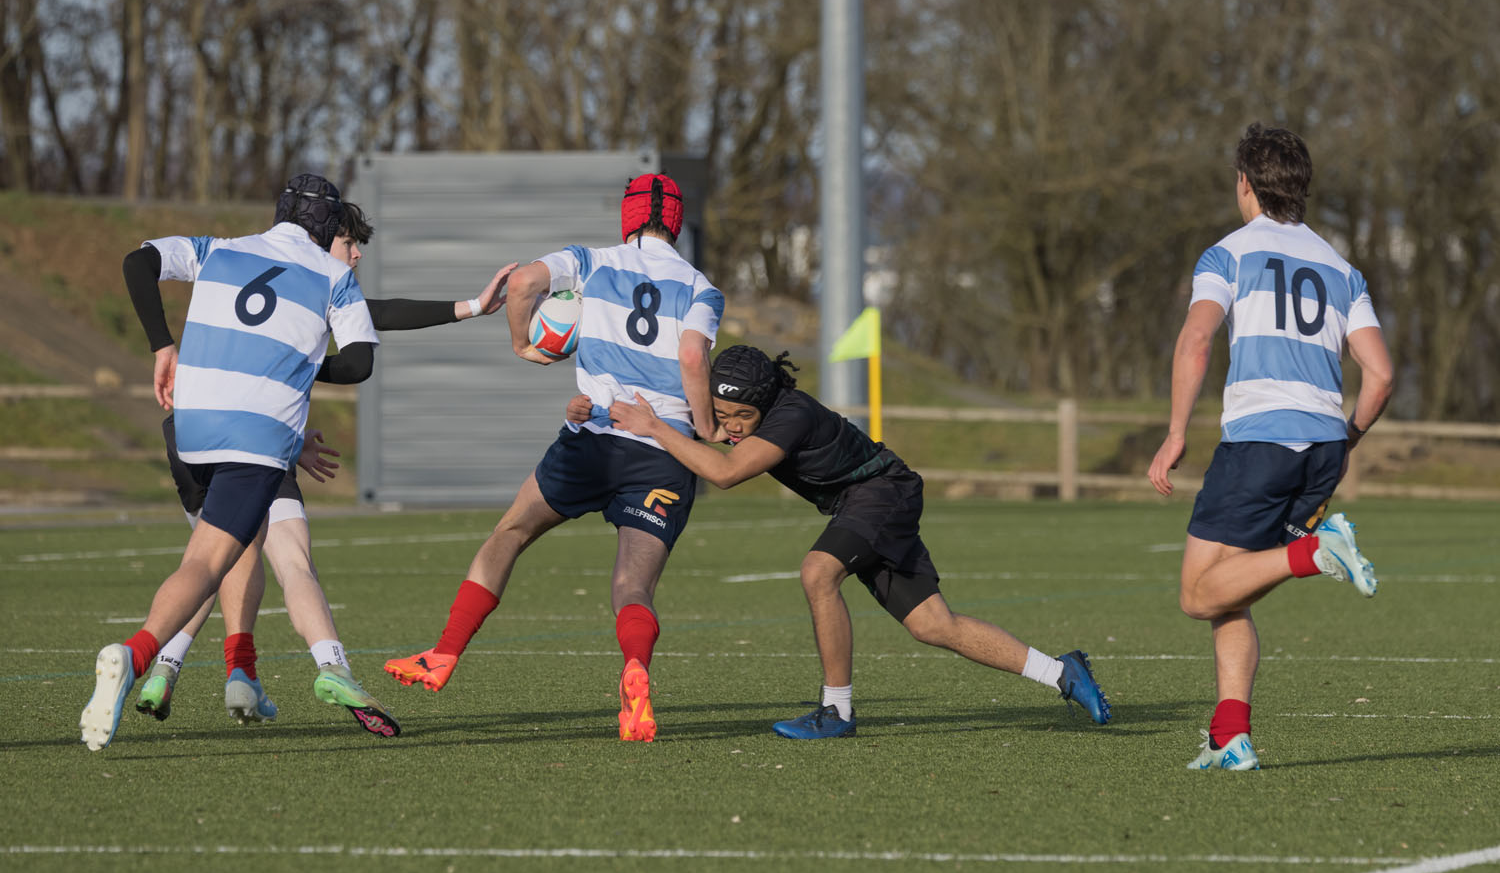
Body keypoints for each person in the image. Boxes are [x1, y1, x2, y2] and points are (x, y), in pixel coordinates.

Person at [135, 202, 515, 738]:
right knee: (284, 561)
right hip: (257, 438)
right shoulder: (318, 276)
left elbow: (372, 312)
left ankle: (182, 671)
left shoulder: (240, 257)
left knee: (211, 561)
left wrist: (471, 306)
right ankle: (323, 668)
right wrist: (472, 307)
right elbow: (362, 341)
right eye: (348, 242)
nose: (356, 255)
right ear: (318, 237)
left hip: (191, 431)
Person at [607, 346, 1112, 738]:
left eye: (742, 415)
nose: (731, 426)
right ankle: (1061, 672)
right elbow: (708, 433)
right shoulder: (755, 416)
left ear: (765, 404)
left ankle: (837, 710)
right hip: (871, 501)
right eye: (723, 413)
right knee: (934, 625)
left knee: (818, 572)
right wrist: (588, 410)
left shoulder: (792, 414)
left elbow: (725, 473)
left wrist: (653, 428)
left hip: (880, 493)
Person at [384, 173, 723, 743]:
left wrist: (522, 344)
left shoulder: (591, 260)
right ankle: (635, 668)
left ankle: (443, 654)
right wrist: (705, 428)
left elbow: (523, 282)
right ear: (677, 222)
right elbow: (692, 357)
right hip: (661, 451)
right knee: (632, 586)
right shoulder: (701, 287)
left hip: (591, 437)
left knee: (510, 533)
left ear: (628, 216)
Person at [80, 174, 379, 751]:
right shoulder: (333, 276)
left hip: (189, 431)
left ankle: (223, 669)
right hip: (256, 442)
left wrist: (162, 345)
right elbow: (360, 362)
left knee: (220, 554)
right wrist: (299, 363)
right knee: (212, 564)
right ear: (327, 229)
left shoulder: (219, 249)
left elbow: (138, 262)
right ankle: (138, 656)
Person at [1147, 123, 1395, 771]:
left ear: (1245, 185)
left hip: (1261, 441)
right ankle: (1230, 736)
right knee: (1230, 591)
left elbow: (1196, 340)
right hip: (1322, 448)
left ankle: (1316, 552)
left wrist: (1176, 432)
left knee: (1198, 593)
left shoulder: (1227, 255)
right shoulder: (1343, 270)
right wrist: (1347, 441)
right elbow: (1380, 375)